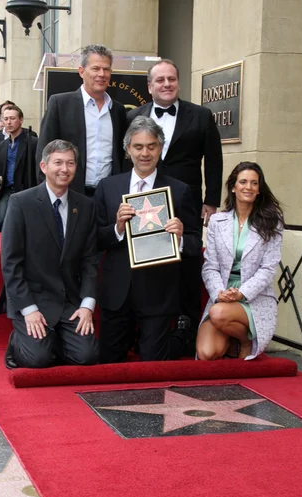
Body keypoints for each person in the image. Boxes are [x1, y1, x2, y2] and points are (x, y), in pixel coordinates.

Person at [127, 59, 223, 345]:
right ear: (149, 86)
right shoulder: (133, 115)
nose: (166, 84)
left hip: (188, 200)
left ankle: (186, 324)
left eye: (171, 79)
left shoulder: (201, 115)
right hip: (146, 198)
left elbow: (214, 160)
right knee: (146, 258)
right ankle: (143, 323)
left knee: (187, 258)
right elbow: (125, 159)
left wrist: (212, 201)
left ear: (178, 82)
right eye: (160, 80)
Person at [95, 116, 202, 363]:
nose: (145, 153)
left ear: (161, 148)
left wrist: (181, 237)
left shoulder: (180, 190)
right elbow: (96, 239)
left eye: (151, 146)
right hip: (117, 292)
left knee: (153, 365)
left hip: (158, 295)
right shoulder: (108, 187)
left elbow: (196, 244)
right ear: (127, 150)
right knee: (108, 364)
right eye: (138, 147)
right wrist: (118, 228)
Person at [0, 139, 98, 369]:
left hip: (68, 301)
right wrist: (29, 310)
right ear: (44, 166)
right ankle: (18, 342)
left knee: (88, 357)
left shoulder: (85, 206)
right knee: (38, 359)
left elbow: (90, 260)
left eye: (71, 163)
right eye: (58, 162)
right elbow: (11, 263)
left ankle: (54, 339)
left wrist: (87, 305)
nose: (65, 169)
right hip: (33, 299)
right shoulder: (20, 203)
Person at [196, 162, 284, 361]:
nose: (249, 187)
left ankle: (245, 341)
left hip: (254, 297)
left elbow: (268, 268)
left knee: (217, 314)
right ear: (233, 187)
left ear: (259, 189)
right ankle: (234, 338)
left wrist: (241, 293)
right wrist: (219, 293)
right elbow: (210, 266)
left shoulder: (272, 222)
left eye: (254, 183)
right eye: (243, 182)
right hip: (222, 294)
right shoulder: (218, 222)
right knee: (206, 353)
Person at [36, 44, 126, 196]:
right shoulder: (60, 104)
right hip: (70, 193)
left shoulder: (118, 110)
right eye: (96, 68)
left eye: (106, 69)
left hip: (109, 194)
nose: (102, 74)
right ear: (82, 71)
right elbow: (44, 151)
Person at [0, 105, 38, 230]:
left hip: (26, 188)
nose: (9, 122)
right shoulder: (2, 145)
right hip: (8, 190)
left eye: (12, 118)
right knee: (0, 220)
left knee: (25, 223)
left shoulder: (32, 142)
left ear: (21, 120)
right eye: (6, 119)